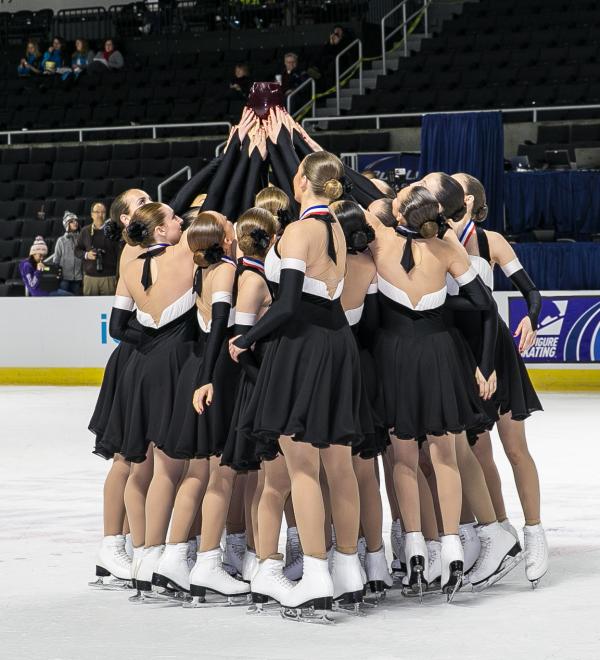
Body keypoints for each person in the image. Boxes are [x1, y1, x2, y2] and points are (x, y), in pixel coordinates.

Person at [229, 151, 364, 623]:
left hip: (303, 344)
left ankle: (316, 576)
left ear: (301, 182)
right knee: (338, 465)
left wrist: (245, 339)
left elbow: (285, 306)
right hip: (337, 341)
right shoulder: (339, 230)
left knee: (303, 466)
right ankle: (348, 569)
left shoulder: (297, 231)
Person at [367, 184, 498, 601]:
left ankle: (416, 549)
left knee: (403, 459)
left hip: (395, 355)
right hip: (439, 353)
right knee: (445, 457)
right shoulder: (447, 250)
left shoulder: (381, 240)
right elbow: (486, 306)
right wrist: (487, 363)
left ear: (399, 215)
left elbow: (349, 189)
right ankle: (454, 549)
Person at [448, 172, 548, 588]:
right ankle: (499, 531)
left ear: (469, 200)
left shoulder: (491, 242)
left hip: (496, 353)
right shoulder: (433, 240)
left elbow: (531, 292)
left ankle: (534, 530)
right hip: (458, 354)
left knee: (515, 448)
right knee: (477, 451)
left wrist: (531, 318)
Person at [88, 189, 152, 591]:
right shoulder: (133, 251)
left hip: (145, 360)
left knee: (141, 456)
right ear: (126, 219)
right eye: (140, 199)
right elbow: (121, 324)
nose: (148, 200)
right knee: (127, 457)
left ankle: (125, 541)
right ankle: (112, 544)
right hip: (134, 359)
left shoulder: (150, 245)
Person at [75, 202, 120, 296]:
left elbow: (119, 254)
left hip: (109, 277)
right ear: (92, 214)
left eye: (103, 212)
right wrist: (87, 255)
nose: (100, 215)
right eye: (97, 212)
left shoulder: (113, 231)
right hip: (90, 278)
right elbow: (77, 250)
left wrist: (118, 276)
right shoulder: (85, 231)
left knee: (108, 307)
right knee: (88, 307)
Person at [53, 211, 83, 295]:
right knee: (63, 302)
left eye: (76, 221)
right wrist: (59, 272)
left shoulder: (80, 238)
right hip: (64, 278)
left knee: (77, 302)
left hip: (78, 278)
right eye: (72, 221)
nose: (75, 223)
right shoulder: (61, 240)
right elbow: (56, 259)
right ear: (67, 224)